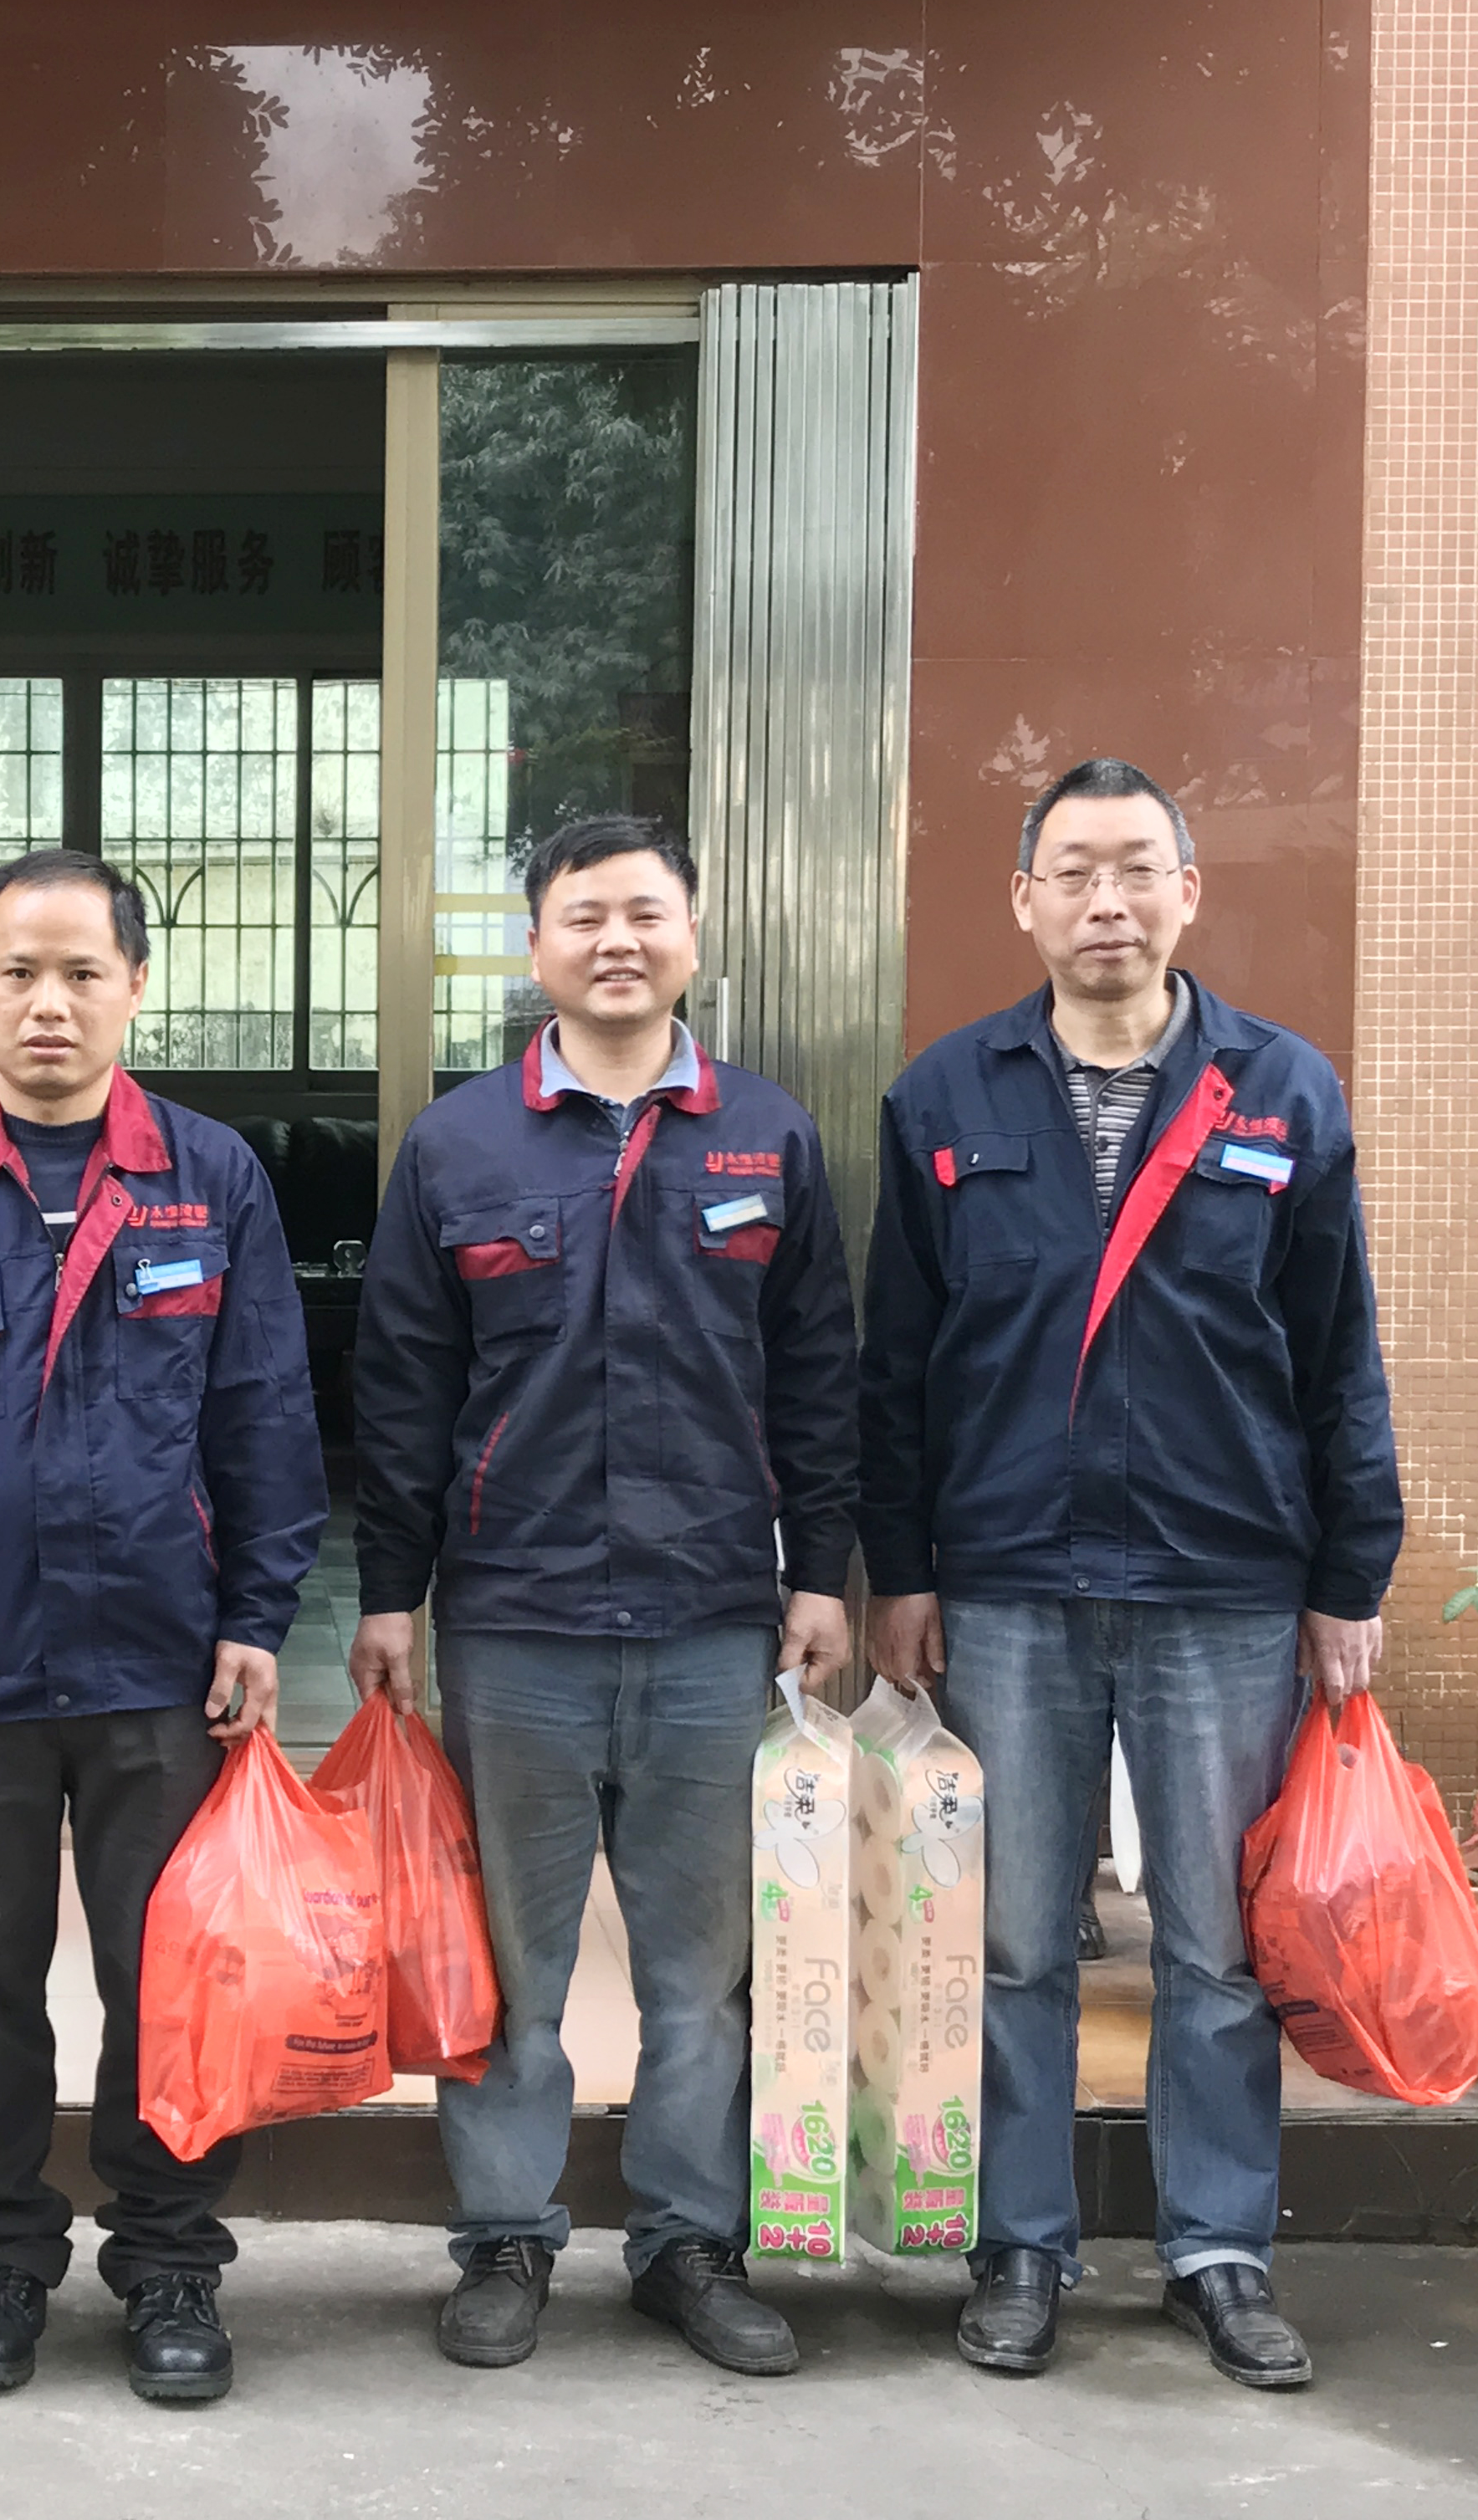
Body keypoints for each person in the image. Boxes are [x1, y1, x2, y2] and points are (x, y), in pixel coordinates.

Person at [859, 755, 1401, 2391]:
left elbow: (1339, 1354)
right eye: (1076, 871)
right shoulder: (944, 1096)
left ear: (1188, 894)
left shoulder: (1282, 1090)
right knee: (1019, 1942)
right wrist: (902, 1568)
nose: (1109, 901)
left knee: (1215, 1948)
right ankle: (1022, 2246)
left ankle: (1218, 2251)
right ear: (1024, 899)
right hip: (1011, 1580)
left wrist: (1351, 1573)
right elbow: (900, 1366)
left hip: (1222, 1582)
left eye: (1138, 869)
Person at [0, 849, 327, 2406]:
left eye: (83, 972)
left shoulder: (210, 1177)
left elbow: (265, 1411)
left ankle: (168, 2257)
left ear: (135, 989)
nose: (50, 1002)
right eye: (19, 971)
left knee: (172, 1973)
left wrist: (258, 1613)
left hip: (163, 1657)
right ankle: (1, 2257)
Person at [350, 815, 859, 2378]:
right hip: (518, 1619)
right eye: (584, 917)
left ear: (693, 937)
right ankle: (506, 2237)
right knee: (515, 1967)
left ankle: (687, 2243)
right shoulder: (459, 1147)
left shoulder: (766, 1135)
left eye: (646, 913)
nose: (617, 941)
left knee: (702, 1972)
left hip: (713, 1616)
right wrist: (389, 1593)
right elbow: (402, 1385)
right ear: (537, 948)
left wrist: (821, 1571)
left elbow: (819, 1375)